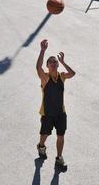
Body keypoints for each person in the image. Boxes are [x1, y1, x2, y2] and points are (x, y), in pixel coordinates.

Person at [36, 39, 75, 169]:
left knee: (61, 135)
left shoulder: (62, 76)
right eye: (50, 62)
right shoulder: (45, 78)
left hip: (60, 113)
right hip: (47, 113)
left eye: (55, 61)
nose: (53, 63)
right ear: (47, 65)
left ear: (57, 65)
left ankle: (59, 158)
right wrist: (42, 51)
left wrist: (63, 62)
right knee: (44, 135)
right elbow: (38, 67)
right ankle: (41, 146)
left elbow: (72, 73)